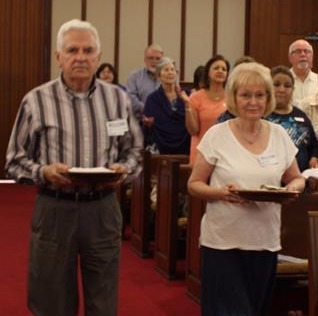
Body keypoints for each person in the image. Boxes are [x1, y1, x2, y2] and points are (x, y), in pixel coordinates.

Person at [5, 19, 143, 316]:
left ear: (98, 55)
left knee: (104, 299)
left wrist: (124, 169)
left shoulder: (118, 99)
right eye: (72, 50)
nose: (80, 56)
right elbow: (14, 161)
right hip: (55, 208)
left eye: (88, 50)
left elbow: (135, 151)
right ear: (59, 56)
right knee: (51, 300)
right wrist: (43, 172)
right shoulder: (36, 101)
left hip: (103, 209)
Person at [187, 62, 305, 316]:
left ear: (268, 98)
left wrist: (291, 190)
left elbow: (296, 178)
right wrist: (221, 193)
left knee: (255, 310)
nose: (253, 102)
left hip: (265, 242)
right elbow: (194, 184)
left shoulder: (280, 135)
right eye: (246, 95)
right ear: (234, 98)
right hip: (223, 243)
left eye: (260, 95)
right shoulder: (217, 135)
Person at [180, 54, 230, 165]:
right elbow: (193, 130)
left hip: (225, 153)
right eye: (216, 68)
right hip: (201, 153)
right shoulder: (196, 97)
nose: (220, 71)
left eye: (224, 69)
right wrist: (187, 105)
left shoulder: (232, 98)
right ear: (208, 72)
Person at [269, 65, 318, 171]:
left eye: (287, 86)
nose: (282, 89)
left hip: (300, 180)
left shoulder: (301, 115)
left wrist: (314, 157)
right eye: (276, 85)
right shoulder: (261, 115)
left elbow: (314, 145)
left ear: (293, 89)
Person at [142, 57, 190, 154]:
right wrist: (148, 124)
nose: (170, 73)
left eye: (172, 70)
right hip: (159, 147)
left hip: (186, 145)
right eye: (166, 70)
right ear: (159, 75)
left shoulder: (187, 95)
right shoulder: (152, 99)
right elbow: (146, 126)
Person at [126, 43, 164, 121]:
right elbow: (131, 98)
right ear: (145, 59)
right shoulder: (134, 76)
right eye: (151, 58)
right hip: (140, 121)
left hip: (164, 121)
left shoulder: (170, 76)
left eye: (158, 59)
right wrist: (148, 110)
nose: (154, 61)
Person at [288, 39, 318, 108]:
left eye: (307, 51)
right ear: (290, 57)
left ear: (312, 56)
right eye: (298, 51)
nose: (303, 54)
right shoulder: (282, 82)